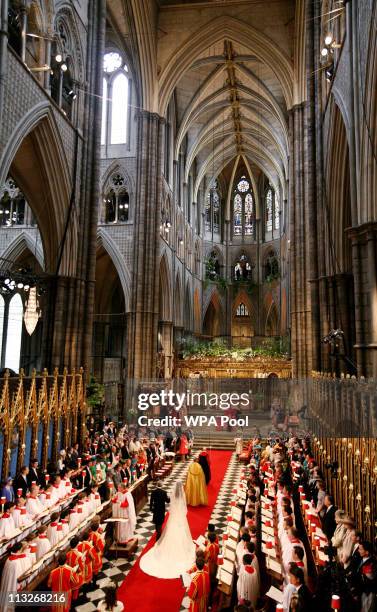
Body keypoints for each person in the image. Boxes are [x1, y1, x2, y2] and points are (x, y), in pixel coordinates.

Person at [140, 481, 195, 578]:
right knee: (181, 532)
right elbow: (183, 508)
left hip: (173, 517)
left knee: (169, 531)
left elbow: (170, 504)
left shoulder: (172, 495)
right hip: (180, 518)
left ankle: (162, 539)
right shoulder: (182, 496)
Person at [356, 541, 377, 612]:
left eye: (361, 549)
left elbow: (368, 578)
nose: (358, 551)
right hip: (362, 591)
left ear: (367, 552)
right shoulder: (361, 558)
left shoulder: (371, 563)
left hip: (368, 592)